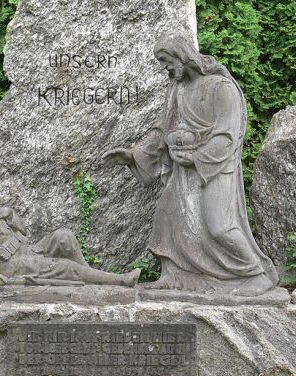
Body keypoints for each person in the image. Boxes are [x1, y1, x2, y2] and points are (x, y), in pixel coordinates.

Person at [103, 32, 278, 295]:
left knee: (219, 226)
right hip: (183, 171)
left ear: (181, 55)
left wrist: (197, 156)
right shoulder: (178, 89)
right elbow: (163, 128)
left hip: (215, 167)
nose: (164, 67)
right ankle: (175, 275)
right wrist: (134, 154)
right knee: (167, 213)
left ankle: (257, 273)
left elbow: (227, 135)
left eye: (165, 59)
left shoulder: (222, 88)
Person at [0, 192, 140, 288]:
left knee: (64, 236)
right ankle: (118, 280)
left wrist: (10, 214)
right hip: (12, 264)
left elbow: (22, 231)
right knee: (65, 267)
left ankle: (91, 277)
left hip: (27, 248)